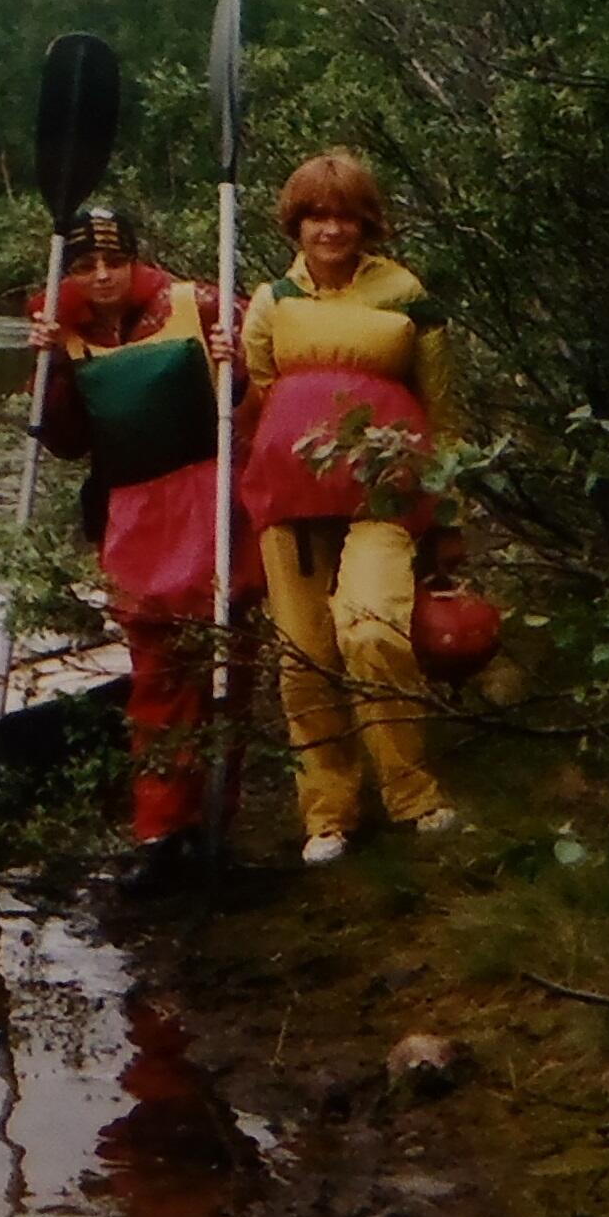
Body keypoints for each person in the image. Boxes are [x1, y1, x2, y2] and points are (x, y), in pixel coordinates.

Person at [25, 204, 259, 888]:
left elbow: (259, 385)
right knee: (155, 679)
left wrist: (238, 362)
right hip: (134, 517)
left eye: (114, 261)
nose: (102, 276)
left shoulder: (199, 303)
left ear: (135, 260)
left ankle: (215, 821)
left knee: (224, 671)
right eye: (85, 265)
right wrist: (48, 369)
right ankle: (160, 829)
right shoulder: (64, 333)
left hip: (212, 504)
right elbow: (66, 441)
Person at [238, 150, 462, 865]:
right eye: (316, 216)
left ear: (367, 222)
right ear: (295, 224)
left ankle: (412, 793)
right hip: (291, 503)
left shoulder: (405, 293)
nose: (330, 230)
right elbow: (256, 400)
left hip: (383, 494)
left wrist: (450, 515)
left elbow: (442, 409)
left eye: (344, 216)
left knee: (371, 631)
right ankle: (329, 812)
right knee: (305, 659)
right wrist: (220, 362)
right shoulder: (271, 301)